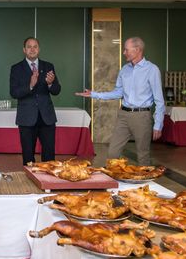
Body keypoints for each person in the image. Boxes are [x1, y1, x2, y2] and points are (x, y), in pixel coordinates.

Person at [75, 37, 164, 165]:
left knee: (143, 155)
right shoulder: (125, 69)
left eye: (126, 50)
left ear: (137, 50)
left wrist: (158, 124)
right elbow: (118, 93)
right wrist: (94, 94)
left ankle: (146, 185)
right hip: (123, 115)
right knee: (113, 152)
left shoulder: (152, 70)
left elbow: (159, 100)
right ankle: (115, 183)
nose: (124, 53)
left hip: (142, 116)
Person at [9, 37, 62, 165]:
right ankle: (29, 183)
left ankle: (48, 183)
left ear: (39, 49)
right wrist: (30, 86)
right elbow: (14, 93)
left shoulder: (48, 66)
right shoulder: (16, 68)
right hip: (26, 118)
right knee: (28, 157)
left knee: (49, 156)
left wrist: (50, 84)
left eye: (35, 46)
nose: (32, 49)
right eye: (29, 46)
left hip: (47, 118)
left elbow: (57, 90)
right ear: (24, 50)